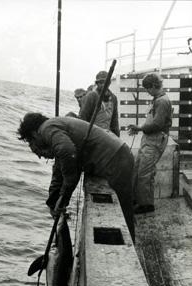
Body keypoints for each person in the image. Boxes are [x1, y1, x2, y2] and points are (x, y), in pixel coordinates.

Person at [17, 112, 135, 242]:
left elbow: (68, 153)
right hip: (116, 156)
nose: (39, 153)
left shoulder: (46, 129)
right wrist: (54, 202)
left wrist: (64, 196)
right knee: (122, 211)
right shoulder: (55, 126)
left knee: (123, 213)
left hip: (116, 159)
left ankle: (131, 251)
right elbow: (60, 168)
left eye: (30, 142)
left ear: (34, 134)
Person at [128, 73, 173, 214]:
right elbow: (152, 122)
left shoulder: (162, 101)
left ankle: (146, 205)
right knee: (138, 169)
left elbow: (157, 124)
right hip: (149, 139)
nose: (147, 92)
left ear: (154, 86)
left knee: (145, 173)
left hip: (155, 140)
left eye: (148, 88)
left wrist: (139, 128)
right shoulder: (157, 99)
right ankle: (138, 199)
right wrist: (140, 128)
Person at [79, 70, 120, 137]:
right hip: (93, 135)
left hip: (107, 135)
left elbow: (114, 122)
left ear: (109, 83)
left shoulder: (113, 98)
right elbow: (83, 118)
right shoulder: (92, 96)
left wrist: (117, 138)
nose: (103, 85)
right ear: (97, 84)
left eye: (105, 82)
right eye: (100, 83)